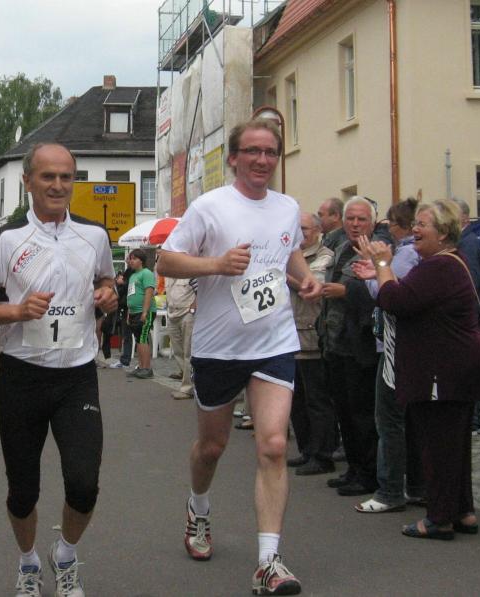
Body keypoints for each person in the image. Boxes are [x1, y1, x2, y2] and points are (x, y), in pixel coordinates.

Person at [157, 118, 321, 596]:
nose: (262, 160)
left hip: (274, 343)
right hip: (219, 347)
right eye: (252, 151)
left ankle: (268, 562)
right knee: (212, 447)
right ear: (233, 158)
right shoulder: (210, 207)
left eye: (270, 152)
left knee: (273, 445)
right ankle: (198, 508)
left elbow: (289, 253)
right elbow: (167, 260)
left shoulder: (287, 208)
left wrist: (305, 277)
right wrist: (216, 264)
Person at [0, 142, 117, 597]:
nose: (58, 185)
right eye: (48, 176)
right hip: (23, 375)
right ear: (28, 181)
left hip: (76, 375)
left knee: (84, 484)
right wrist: (16, 311)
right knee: (23, 489)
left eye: (67, 176)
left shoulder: (94, 235)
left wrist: (108, 293)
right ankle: (29, 562)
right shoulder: (6, 239)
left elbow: (106, 278)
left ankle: (65, 554)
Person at [356, 199, 480, 540]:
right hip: (456, 367)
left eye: (422, 224)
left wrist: (383, 264)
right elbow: (409, 295)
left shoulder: (440, 266)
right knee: (454, 446)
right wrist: (382, 273)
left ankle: (439, 518)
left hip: (443, 371)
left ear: (443, 233)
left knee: (438, 447)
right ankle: (462, 511)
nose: (415, 230)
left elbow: (396, 301)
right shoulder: (447, 263)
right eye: (415, 223)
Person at [351, 198, 422, 513]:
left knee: (390, 420)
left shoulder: (407, 254)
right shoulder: (411, 254)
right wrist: (375, 272)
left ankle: (391, 490)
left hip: (396, 346)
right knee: (406, 422)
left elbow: (389, 296)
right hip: (401, 344)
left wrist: (376, 271)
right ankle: (414, 487)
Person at [319, 197, 380, 497]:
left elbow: (383, 292)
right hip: (336, 340)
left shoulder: (379, 250)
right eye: (351, 219)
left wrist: (345, 291)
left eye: (362, 219)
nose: (355, 224)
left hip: (362, 344)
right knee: (344, 411)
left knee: (363, 415)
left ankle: (369, 474)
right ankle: (354, 468)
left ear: (373, 222)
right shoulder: (342, 247)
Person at [286, 212, 336, 475]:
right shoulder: (291, 257)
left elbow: (313, 287)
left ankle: (323, 454)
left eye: (304, 229)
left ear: (317, 230)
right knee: (297, 402)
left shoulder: (325, 256)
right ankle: (306, 450)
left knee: (317, 401)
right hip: (291, 337)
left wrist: (284, 275)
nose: (300, 233)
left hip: (312, 336)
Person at [452, 197, 480, 436]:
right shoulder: (469, 240)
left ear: (464, 218)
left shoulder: (466, 242)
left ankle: (475, 419)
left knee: (471, 369)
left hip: (471, 319)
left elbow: (472, 281)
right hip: (474, 317)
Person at [125, 248, 156, 379]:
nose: (131, 261)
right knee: (138, 339)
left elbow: (149, 292)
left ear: (141, 261)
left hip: (144, 311)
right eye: (130, 259)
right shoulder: (133, 276)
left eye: (134, 258)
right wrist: (129, 313)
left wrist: (145, 311)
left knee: (143, 338)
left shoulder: (146, 273)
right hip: (133, 312)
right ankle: (140, 366)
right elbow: (130, 295)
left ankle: (146, 368)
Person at [165, 276, 197, 399]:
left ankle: (187, 388)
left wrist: (194, 306)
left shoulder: (190, 271)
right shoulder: (168, 274)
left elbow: (200, 290)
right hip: (172, 314)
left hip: (187, 312)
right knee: (178, 351)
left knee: (188, 352)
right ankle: (187, 377)